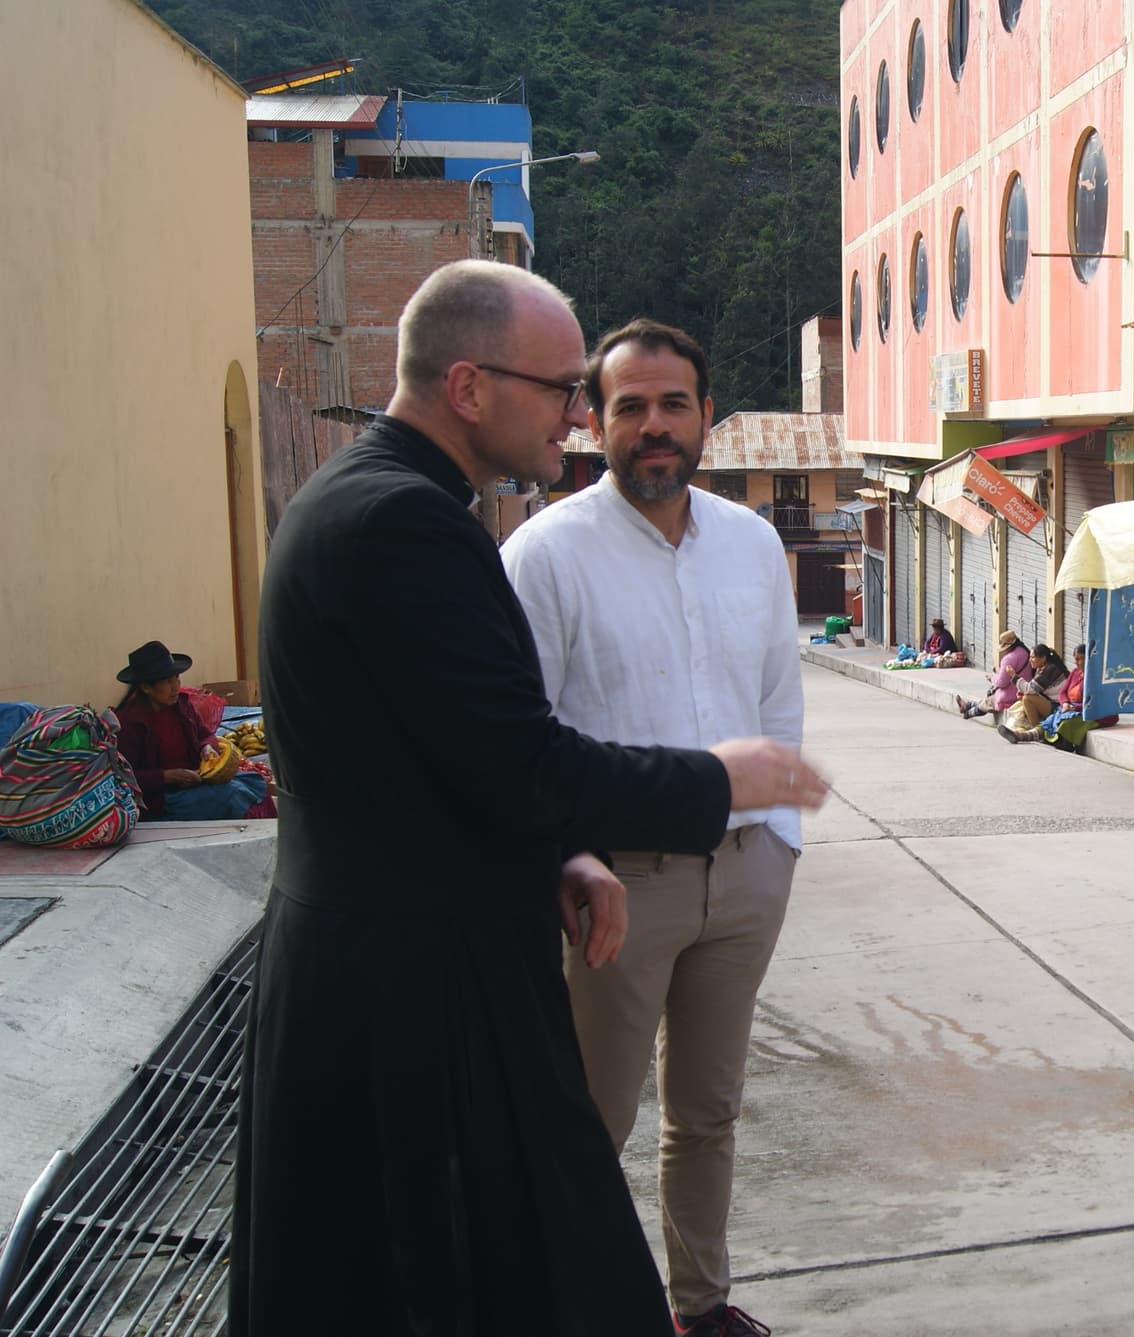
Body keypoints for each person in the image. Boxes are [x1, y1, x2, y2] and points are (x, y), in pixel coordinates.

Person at [233, 259, 828, 1337]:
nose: (575, 414)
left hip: (411, 957)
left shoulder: (390, 502)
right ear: (468, 387)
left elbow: (448, 758)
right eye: (566, 389)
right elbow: (528, 761)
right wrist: (715, 778)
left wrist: (561, 855)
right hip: (405, 986)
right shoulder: (408, 527)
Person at [501, 318, 802, 1337]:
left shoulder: (754, 543)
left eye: (673, 403)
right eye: (629, 405)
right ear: (594, 418)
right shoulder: (544, 555)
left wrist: (780, 849)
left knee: (708, 1110)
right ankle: (576, 1306)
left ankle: (697, 1304)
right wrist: (564, 859)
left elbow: (777, 697)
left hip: (745, 876)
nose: (653, 426)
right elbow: (519, 735)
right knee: (594, 1123)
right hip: (617, 888)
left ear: (706, 416)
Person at [110, 640, 268, 820]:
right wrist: (168, 777)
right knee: (233, 795)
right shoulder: (129, 724)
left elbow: (205, 734)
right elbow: (124, 778)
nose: (176, 687)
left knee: (255, 783)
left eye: (177, 678)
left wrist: (207, 747)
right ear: (146, 687)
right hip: (161, 800)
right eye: (168, 682)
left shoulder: (181, 707)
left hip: (195, 781)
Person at [996, 643, 1069, 742]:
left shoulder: (1051, 669)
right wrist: (1022, 692)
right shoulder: (1041, 669)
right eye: (1030, 657)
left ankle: (1036, 731)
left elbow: (1030, 689)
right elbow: (1034, 688)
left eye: (1033, 657)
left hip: (1058, 706)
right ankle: (1027, 731)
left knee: (1027, 698)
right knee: (1024, 699)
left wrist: (1014, 676)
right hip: (1049, 702)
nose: (1030, 660)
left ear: (1043, 658)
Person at [954, 629, 1028, 721]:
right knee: (987, 699)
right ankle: (967, 706)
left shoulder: (1010, 658)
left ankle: (967, 713)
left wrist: (992, 678)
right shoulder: (1025, 652)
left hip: (1013, 694)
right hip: (1022, 690)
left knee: (990, 701)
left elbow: (1002, 682)